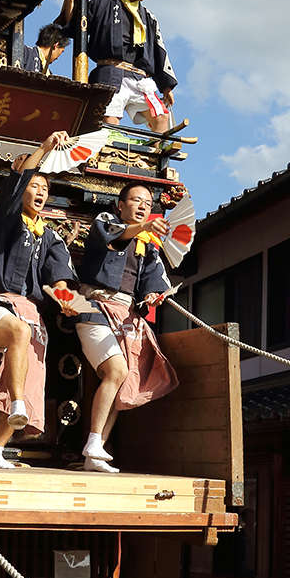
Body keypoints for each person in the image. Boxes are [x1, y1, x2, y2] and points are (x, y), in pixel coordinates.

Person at [0, 132, 76, 469]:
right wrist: (43, 148)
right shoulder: (8, 220)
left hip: (32, 315)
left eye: (46, 188)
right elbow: (15, 187)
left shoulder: (51, 236)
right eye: (35, 185)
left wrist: (67, 300)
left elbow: (57, 278)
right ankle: (16, 403)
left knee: (31, 374)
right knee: (17, 332)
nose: (41, 191)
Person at [75, 182, 179, 473]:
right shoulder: (105, 222)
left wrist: (151, 294)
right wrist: (144, 226)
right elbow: (112, 238)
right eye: (136, 200)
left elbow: (153, 279)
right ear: (120, 205)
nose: (143, 205)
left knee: (124, 382)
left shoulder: (148, 245)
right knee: (116, 371)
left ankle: (93, 455)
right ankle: (94, 442)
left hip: (127, 313)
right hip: (94, 305)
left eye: (148, 202)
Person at [59, 0, 177, 130]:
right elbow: (74, 28)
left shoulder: (149, 17)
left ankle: (156, 155)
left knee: (161, 117)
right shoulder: (102, 5)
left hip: (140, 79)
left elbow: (159, 50)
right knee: (110, 121)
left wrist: (166, 86)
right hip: (110, 73)